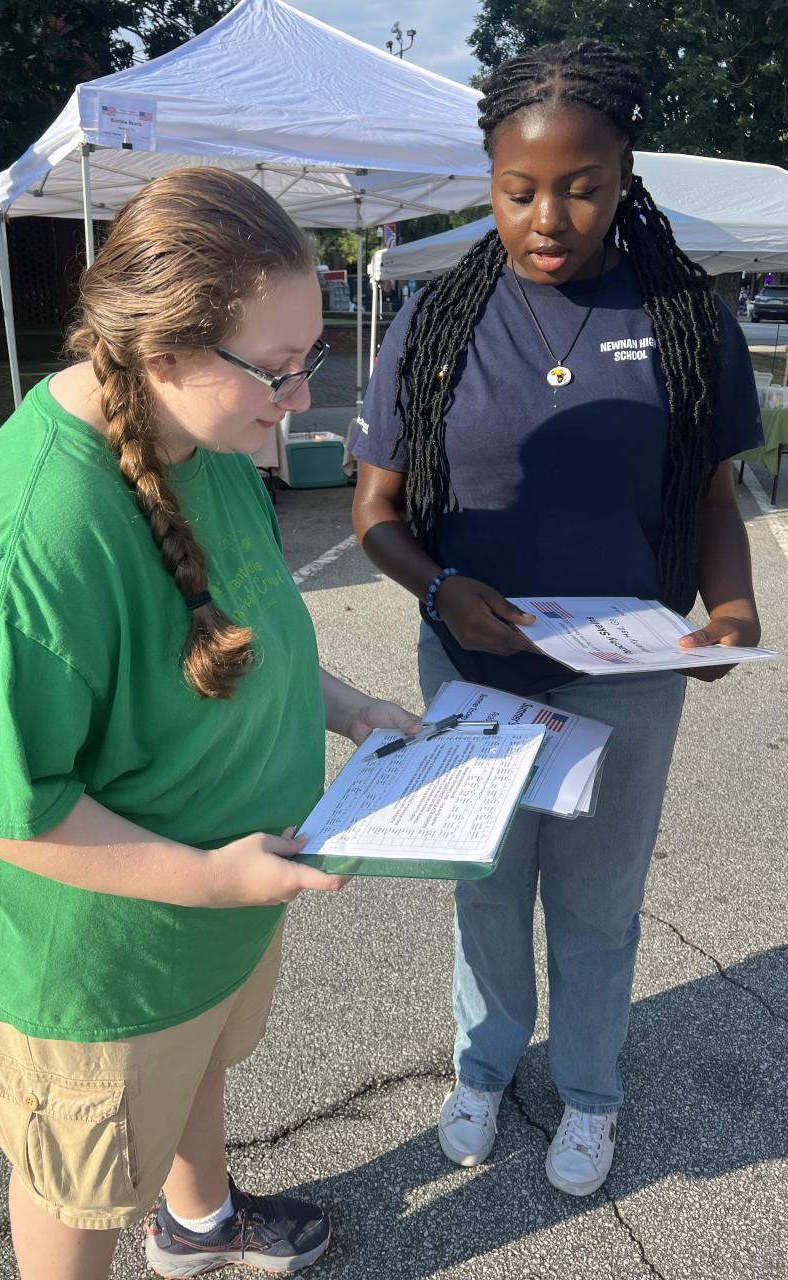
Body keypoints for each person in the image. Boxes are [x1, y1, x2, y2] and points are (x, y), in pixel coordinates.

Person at [0, 167, 419, 1280]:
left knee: (197, 1071)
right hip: (98, 965)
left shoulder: (202, 437)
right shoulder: (33, 542)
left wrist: (353, 711)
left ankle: (197, 1221)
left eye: (312, 357)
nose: (300, 398)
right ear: (165, 350)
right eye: (278, 368)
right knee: (75, 1183)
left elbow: (241, 630)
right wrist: (213, 879)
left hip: (209, 910)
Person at [351, 39, 762, 1198]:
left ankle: (589, 1089)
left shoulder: (686, 318)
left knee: (598, 902)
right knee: (486, 887)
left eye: (581, 186)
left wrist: (732, 607)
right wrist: (437, 586)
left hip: (628, 677)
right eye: (517, 188)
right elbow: (374, 512)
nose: (548, 217)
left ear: (625, 174)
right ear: (489, 180)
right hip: (475, 667)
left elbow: (712, 499)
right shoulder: (437, 318)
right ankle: (483, 1068)